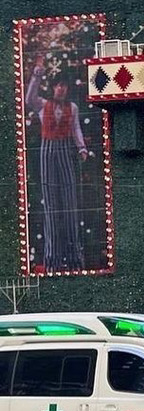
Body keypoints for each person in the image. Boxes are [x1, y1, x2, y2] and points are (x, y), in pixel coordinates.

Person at [24, 60, 90, 272]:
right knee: (51, 205)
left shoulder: (73, 108)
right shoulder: (43, 105)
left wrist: (82, 148)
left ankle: (74, 256)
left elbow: (76, 129)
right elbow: (29, 98)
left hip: (65, 152)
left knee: (70, 201)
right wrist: (37, 74)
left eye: (64, 85)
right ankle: (52, 258)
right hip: (47, 153)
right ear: (53, 88)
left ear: (67, 88)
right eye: (58, 85)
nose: (61, 88)